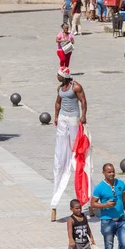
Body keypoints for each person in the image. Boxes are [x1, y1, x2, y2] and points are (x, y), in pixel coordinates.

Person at [51, 67, 88, 222]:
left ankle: (74, 154)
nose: (57, 76)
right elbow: (58, 102)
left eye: (59, 75)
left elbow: (83, 101)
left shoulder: (76, 86)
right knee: (61, 150)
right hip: (64, 118)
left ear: (65, 76)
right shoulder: (60, 88)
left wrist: (83, 116)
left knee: (75, 146)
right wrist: (56, 116)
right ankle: (62, 156)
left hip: (73, 118)